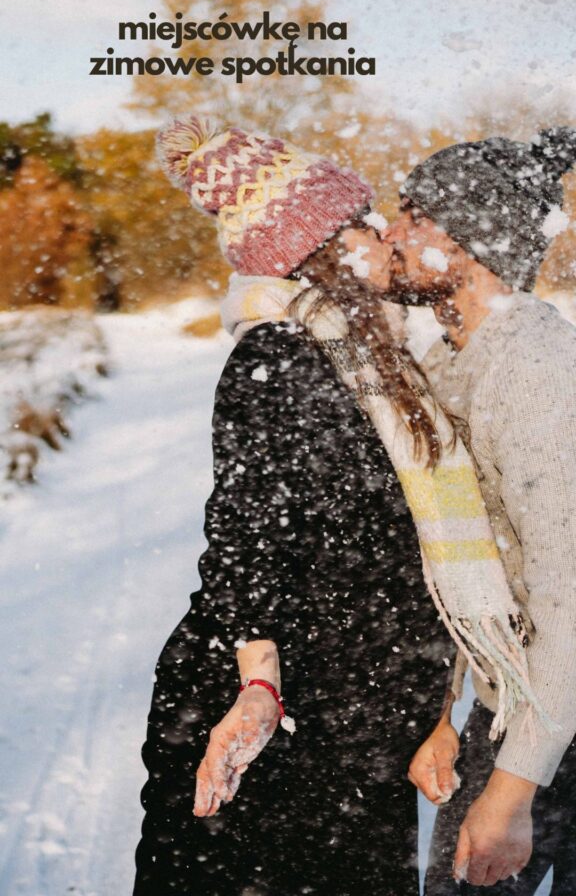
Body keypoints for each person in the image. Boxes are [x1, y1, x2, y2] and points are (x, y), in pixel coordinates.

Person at [133, 118, 520, 896]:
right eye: (364, 221)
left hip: (357, 724)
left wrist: (430, 707)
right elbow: (246, 537)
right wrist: (259, 687)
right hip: (286, 726)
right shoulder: (280, 357)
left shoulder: (371, 357)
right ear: (322, 250)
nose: (385, 233)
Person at [339, 127, 576, 892]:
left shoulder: (534, 367)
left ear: (472, 241)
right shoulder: (451, 358)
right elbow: (467, 554)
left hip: (559, 707)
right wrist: (449, 712)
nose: (392, 232)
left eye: (416, 215)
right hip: (525, 701)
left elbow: (569, 593)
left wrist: (511, 791)